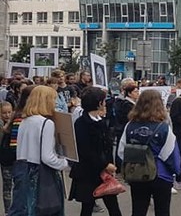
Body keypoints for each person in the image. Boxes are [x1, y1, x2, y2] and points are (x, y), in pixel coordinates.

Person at [117, 90, 181, 216]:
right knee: (162, 211)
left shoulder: (130, 126)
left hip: (137, 173)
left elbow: (121, 152)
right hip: (160, 174)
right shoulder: (163, 127)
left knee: (138, 210)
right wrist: (176, 172)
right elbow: (171, 154)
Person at [13, 86, 70, 216]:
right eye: (53, 99)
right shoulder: (46, 123)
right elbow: (47, 157)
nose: (55, 103)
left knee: (26, 208)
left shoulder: (25, 120)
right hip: (42, 173)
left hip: (23, 170)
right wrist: (64, 163)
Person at [70, 87, 122, 216]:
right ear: (99, 103)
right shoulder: (81, 123)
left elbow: (107, 147)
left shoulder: (101, 121)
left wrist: (110, 165)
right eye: (103, 101)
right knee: (87, 207)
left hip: (104, 173)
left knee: (114, 207)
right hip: (88, 172)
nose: (105, 103)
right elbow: (85, 150)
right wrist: (105, 164)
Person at [0, 102, 15, 213]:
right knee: (7, 186)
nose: (7, 115)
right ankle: (8, 211)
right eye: (4, 113)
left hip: (15, 159)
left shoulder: (15, 124)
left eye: (9, 112)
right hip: (5, 160)